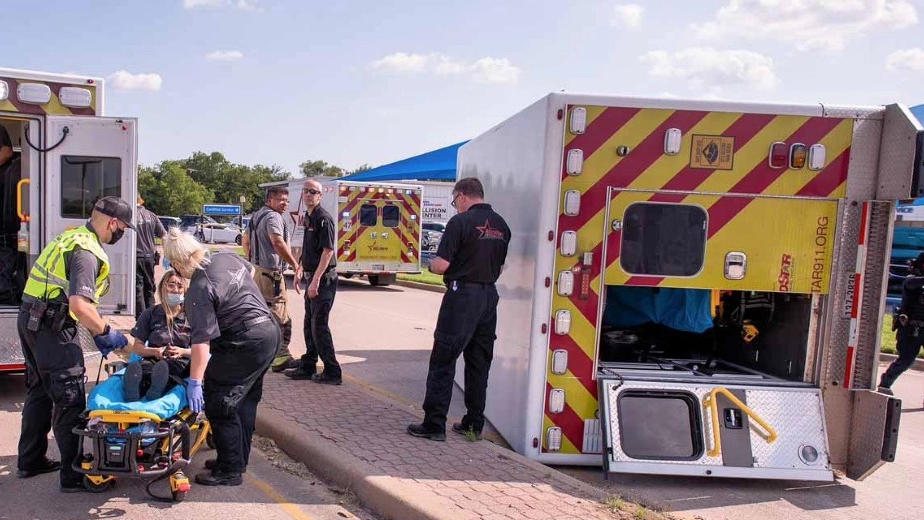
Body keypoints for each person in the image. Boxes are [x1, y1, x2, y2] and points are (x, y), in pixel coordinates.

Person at [17, 196, 133, 492]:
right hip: (52, 328)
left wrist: (96, 329)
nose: (120, 234)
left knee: (40, 392)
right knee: (70, 398)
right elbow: (80, 304)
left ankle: (30, 461)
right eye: (122, 228)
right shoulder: (87, 251)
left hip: (31, 319)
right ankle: (73, 476)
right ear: (113, 222)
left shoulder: (70, 237)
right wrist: (105, 331)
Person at [162, 227, 279, 486]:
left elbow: (201, 345)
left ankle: (229, 470)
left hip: (244, 341)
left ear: (179, 263)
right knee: (245, 400)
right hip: (269, 333)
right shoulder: (225, 257)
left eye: (173, 266)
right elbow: (249, 271)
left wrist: (195, 382)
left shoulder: (199, 289)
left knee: (220, 401)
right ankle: (236, 459)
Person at [407, 178, 511, 442]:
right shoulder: (501, 225)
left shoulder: (460, 223)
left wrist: (431, 265)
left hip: (462, 295)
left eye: (454, 201)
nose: (455, 207)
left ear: (462, 196)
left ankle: (434, 424)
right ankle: (473, 423)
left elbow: (441, 265)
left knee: (444, 359)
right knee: (479, 362)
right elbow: (499, 269)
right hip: (488, 297)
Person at [284, 179, 341, 384]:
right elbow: (309, 249)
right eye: (305, 191)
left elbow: (328, 252)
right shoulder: (308, 217)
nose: (308, 194)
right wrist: (299, 268)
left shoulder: (323, 218)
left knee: (319, 325)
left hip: (324, 280)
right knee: (309, 323)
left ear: (320, 195)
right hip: (312, 277)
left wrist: (315, 280)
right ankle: (309, 364)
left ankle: (332, 372)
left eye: (313, 191)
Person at [242, 186, 302, 372]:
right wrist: (294, 264)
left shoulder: (257, 216)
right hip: (271, 274)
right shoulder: (273, 217)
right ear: (270, 201)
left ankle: (260, 353)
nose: (284, 204)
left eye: (287, 200)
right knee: (280, 315)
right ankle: (281, 356)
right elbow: (277, 241)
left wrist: (253, 260)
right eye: (281, 200)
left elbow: (245, 240)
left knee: (260, 313)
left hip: (259, 271)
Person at [124, 270, 191, 401]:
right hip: (153, 358)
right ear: (163, 287)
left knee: (167, 370)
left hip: (179, 362)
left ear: (185, 290)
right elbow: (137, 348)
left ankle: (157, 389)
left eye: (179, 286)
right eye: (171, 285)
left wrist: (182, 351)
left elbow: (202, 350)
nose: (175, 290)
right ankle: (134, 391)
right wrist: (155, 351)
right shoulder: (150, 314)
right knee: (142, 368)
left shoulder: (192, 316)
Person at [879, 252, 924, 398]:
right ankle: (885, 384)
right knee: (906, 360)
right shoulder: (912, 280)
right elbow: (910, 284)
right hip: (911, 329)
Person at [135, 196, 166, 318]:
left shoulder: (130, 216)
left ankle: (141, 319)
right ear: (141, 200)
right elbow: (164, 235)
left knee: (138, 289)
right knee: (149, 287)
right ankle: (152, 317)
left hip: (135, 257)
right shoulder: (151, 215)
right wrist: (167, 254)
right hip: (149, 257)